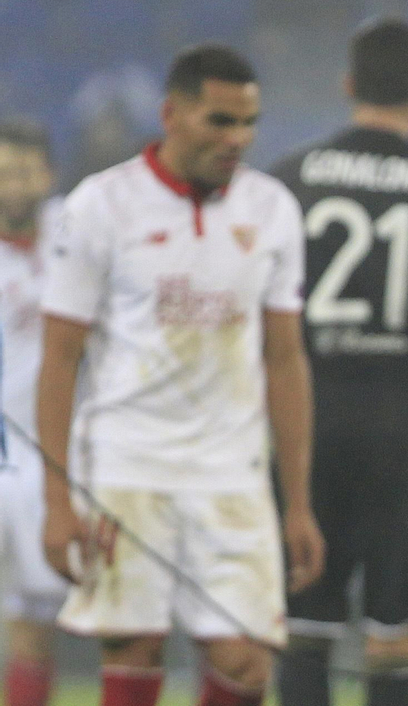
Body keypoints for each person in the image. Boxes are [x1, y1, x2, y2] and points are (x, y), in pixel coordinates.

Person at [35, 45, 324, 706]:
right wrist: (58, 502)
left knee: (247, 661)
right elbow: (59, 358)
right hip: (128, 470)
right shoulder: (101, 207)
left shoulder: (273, 209)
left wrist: (298, 499)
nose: (237, 139)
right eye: (219, 121)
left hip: (233, 476)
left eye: (248, 123)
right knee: (134, 648)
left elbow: (284, 359)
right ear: (171, 113)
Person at [272, 18, 408, 706]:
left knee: (306, 627)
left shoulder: (290, 178)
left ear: (347, 85)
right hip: (404, 433)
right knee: (395, 637)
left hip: (308, 432)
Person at [0, 119, 70, 706]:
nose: (13, 185)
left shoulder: (76, 233)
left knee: (34, 624)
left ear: (49, 175)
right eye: (1, 175)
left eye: (24, 172)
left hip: (54, 460)